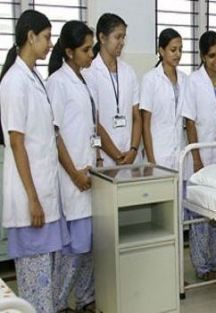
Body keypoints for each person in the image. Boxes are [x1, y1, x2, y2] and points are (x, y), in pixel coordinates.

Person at [0, 10, 69, 312]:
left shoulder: (34, 79)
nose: (50, 44)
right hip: (31, 200)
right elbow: (17, 143)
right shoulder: (14, 82)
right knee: (35, 287)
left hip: (43, 192)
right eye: (46, 37)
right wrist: (33, 199)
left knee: (45, 285)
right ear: (30, 36)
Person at [46, 20, 99, 313]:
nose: (91, 54)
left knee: (89, 244)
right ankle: (57, 304)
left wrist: (95, 161)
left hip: (88, 172)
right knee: (74, 247)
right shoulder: (57, 82)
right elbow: (54, 135)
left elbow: (87, 127)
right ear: (69, 52)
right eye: (86, 49)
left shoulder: (84, 79)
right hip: (71, 177)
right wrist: (74, 173)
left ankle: (86, 299)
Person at [181, 30, 216, 281]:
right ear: (202, 57)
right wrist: (197, 157)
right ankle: (202, 267)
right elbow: (189, 122)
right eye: (212, 55)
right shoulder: (193, 81)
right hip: (202, 155)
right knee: (201, 215)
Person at [83, 13, 141, 166]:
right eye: (118, 37)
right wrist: (117, 156)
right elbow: (94, 122)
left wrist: (134, 150)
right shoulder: (90, 73)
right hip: (106, 158)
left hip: (130, 156)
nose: (122, 42)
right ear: (102, 38)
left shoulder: (129, 72)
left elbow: (136, 116)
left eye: (124, 38)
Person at [141, 28, 186, 170]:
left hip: (179, 151)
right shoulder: (150, 79)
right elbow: (145, 124)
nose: (178, 54)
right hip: (158, 153)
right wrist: (151, 160)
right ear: (161, 51)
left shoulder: (185, 79)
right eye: (173, 50)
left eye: (180, 49)